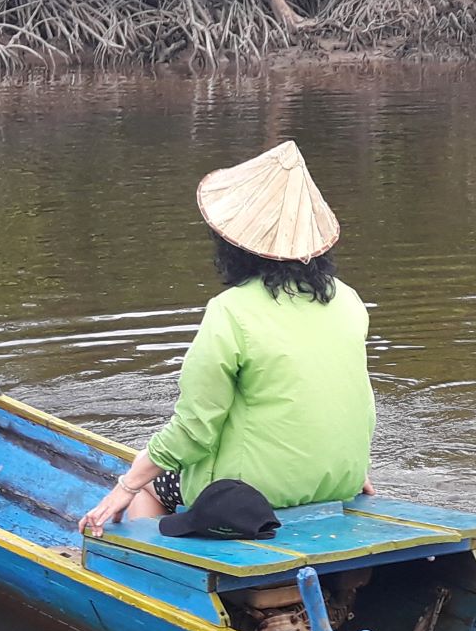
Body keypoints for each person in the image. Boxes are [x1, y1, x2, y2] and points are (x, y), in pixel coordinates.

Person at [79, 142, 374, 535]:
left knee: (151, 484)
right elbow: (350, 399)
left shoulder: (230, 311)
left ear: (234, 247)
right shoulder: (349, 300)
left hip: (250, 495)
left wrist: (127, 484)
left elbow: (194, 430)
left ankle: (163, 569)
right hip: (343, 478)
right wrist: (350, 469)